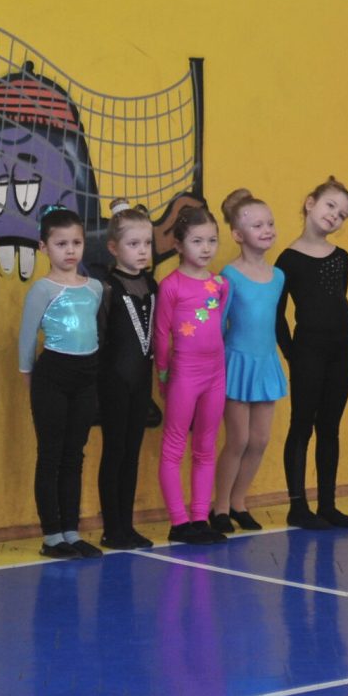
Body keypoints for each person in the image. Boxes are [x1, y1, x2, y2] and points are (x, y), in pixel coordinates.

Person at [18, 205, 104, 560]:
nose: (70, 251)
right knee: (51, 455)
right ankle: (51, 536)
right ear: (44, 247)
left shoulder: (94, 288)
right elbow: (26, 339)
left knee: (74, 455)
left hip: (86, 376)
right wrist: (29, 382)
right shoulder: (42, 289)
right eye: (61, 244)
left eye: (76, 243)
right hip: (52, 376)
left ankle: (71, 531)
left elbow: (92, 332)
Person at [275, 176, 348, 530]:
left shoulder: (342, 258)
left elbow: (337, 301)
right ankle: (298, 506)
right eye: (330, 206)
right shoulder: (288, 260)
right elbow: (277, 314)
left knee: (330, 427)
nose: (334, 216)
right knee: (302, 424)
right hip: (308, 352)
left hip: (342, 350)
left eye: (342, 214)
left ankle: (328, 504)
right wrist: (292, 354)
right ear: (310, 203)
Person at [209, 189, 289, 535]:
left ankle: (239, 502)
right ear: (238, 235)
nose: (267, 229)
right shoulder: (229, 275)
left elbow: (275, 320)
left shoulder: (278, 276)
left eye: (269, 223)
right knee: (238, 440)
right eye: (257, 225)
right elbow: (218, 324)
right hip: (237, 365)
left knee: (259, 440)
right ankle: (220, 506)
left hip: (265, 363)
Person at [153, 205, 230, 544]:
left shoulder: (220, 285)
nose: (206, 248)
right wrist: (163, 376)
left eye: (212, 240)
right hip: (184, 374)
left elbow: (219, 326)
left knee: (206, 446)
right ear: (179, 245)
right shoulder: (170, 285)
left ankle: (200, 517)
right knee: (174, 447)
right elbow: (161, 335)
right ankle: (178, 522)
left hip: (215, 374)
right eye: (197, 241)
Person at [91, 202, 157, 551]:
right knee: (114, 451)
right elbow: (99, 339)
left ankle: (127, 526)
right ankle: (111, 528)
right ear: (113, 248)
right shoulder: (106, 287)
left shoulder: (151, 284)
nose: (142, 251)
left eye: (147, 243)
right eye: (133, 244)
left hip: (141, 381)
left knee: (132, 454)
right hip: (113, 381)